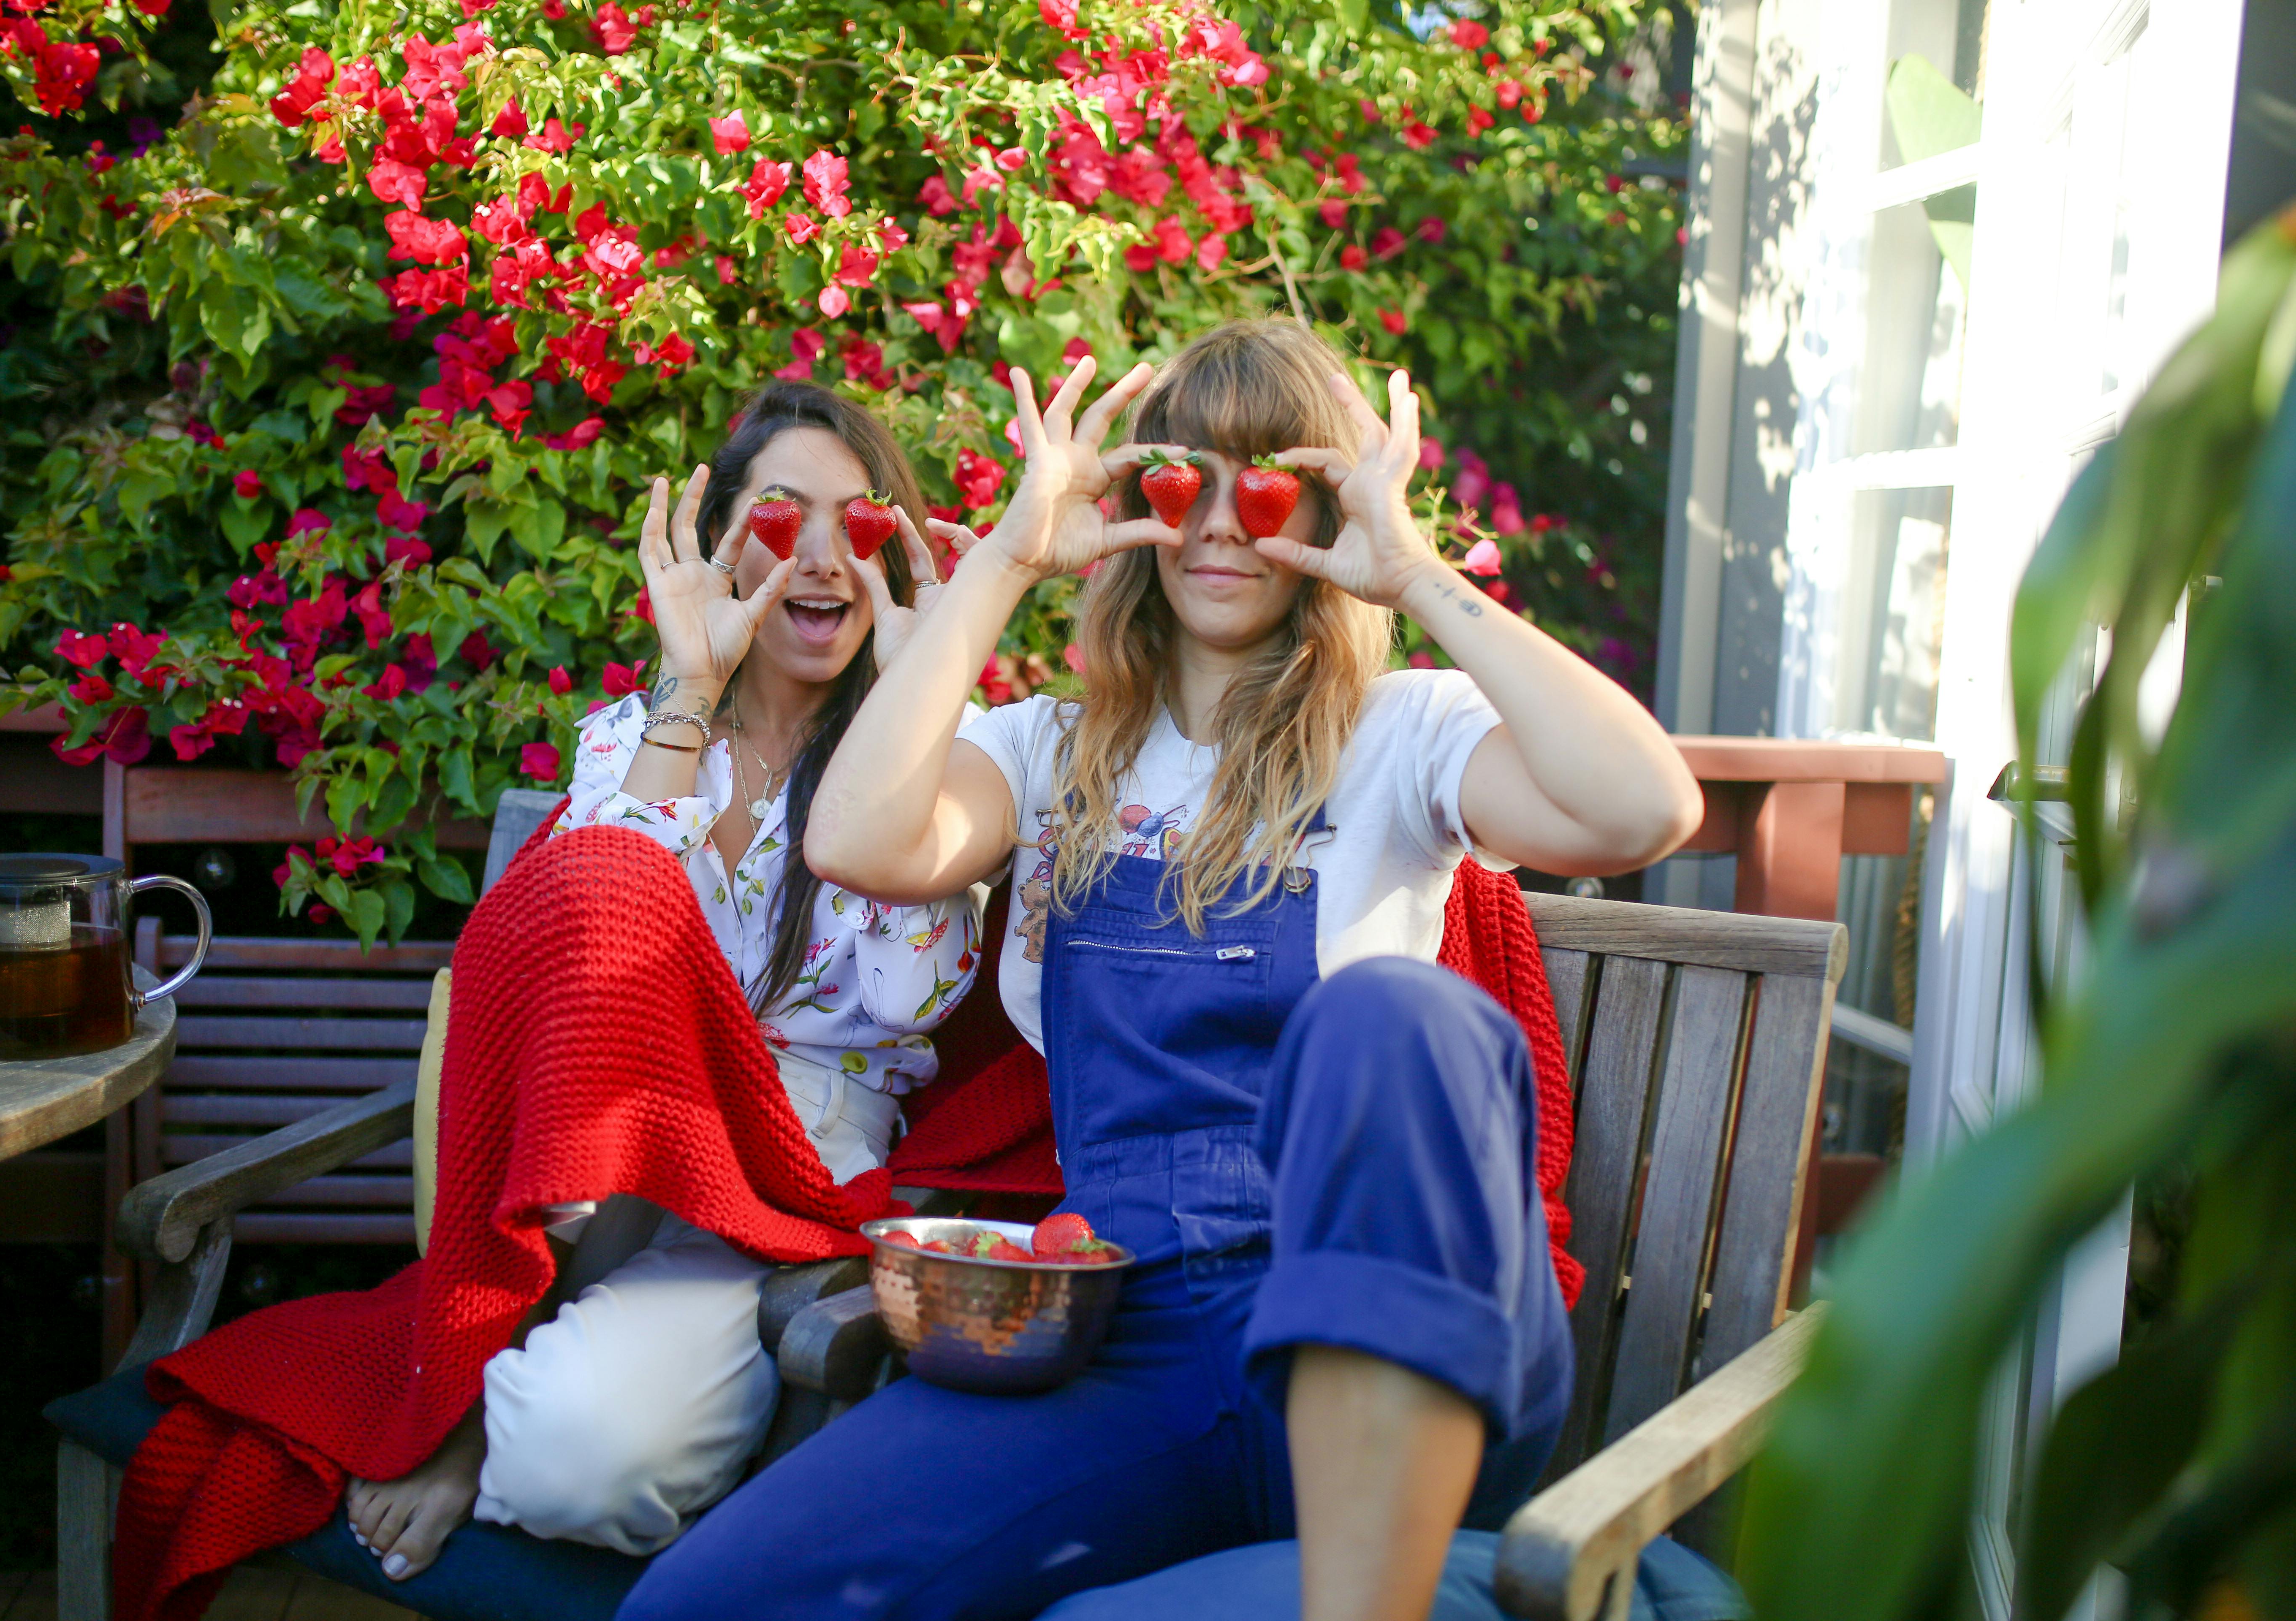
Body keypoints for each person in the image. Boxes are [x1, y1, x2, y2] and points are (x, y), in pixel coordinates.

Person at [602, 319, 1702, 1621]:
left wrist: (1413, 574)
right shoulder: (1054, 754)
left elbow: (1643, 811)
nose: (1224, 526)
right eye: (1184, 483)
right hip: (1133, 1343)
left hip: (1395, 1319)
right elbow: (856, 838)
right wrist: (1009, 556)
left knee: (1402, 1020)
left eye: (1272, 484)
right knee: (701, 1607)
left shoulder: (1404, 736)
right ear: (1134, 508)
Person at [342, 382, 986, 1581]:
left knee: (570, 1462)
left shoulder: (942, 751)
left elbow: (907, 997)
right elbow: (587, 950)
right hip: (599, 1149)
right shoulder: (629, 736)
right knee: (613, 923)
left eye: (864, 528)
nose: (826, 562)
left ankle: (488, 1404)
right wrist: (692, 685)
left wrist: (918, 702)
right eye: (786, 522)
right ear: (728, 542)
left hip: (785, 1181)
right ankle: (485, 1376)